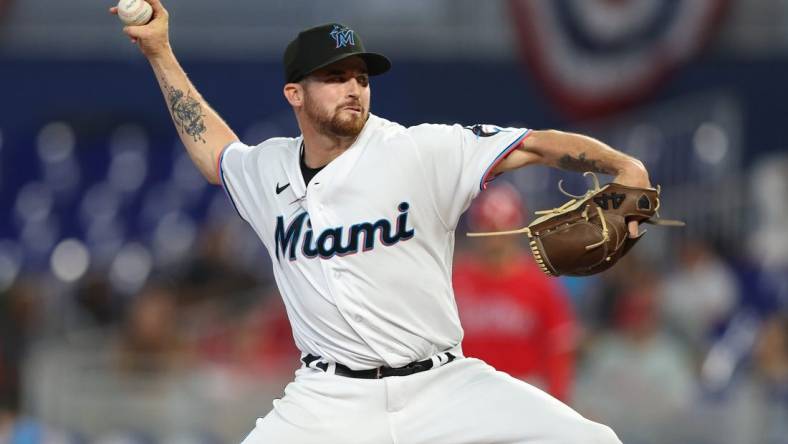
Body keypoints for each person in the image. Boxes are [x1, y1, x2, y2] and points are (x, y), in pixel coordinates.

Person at [111, 1, 651, 442]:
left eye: (360, 76)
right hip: (329, 401)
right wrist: (159, 51)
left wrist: (626, 166)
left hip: (442, 386)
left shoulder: (419, 150)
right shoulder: (267, 168)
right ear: (294, 93)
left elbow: (535, 146)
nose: (354, 87)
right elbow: (214, 152)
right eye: (334, 76)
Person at [453, 183, 576, 402]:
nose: (495, 239)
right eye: (488, 229)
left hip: (525, 389)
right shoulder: (456, 280)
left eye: (502, 230)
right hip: (468, 390)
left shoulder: (539, 282)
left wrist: (558, 396)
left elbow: (559, 345)